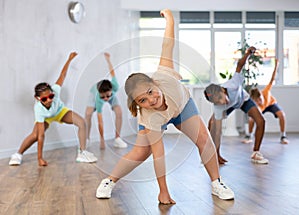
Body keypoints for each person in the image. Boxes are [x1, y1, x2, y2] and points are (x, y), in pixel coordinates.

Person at [96, 9, 234, 204]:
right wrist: (163, 192)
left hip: (182, 106)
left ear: (155, 83)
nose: (151, 100)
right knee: (141, 152)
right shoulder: (149, 115)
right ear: (137, 104)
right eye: (142, 100)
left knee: (204, 138)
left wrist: (169, 18)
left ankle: (217, 183)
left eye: (151, 92)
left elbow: (168, 43)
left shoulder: (165, 74)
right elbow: (159, 155)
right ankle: (109, 181)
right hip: (158, 119)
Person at [9, 52, 97, 166]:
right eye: (44, 99)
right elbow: (41, 136)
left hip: (60, 112)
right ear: (37, 98)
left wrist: (69, 59)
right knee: (35, 135)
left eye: (51, 96)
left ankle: (82, 153)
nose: (49, 100)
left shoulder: (55, 89)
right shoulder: (39, 110)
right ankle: (18, 154)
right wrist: (40, 158)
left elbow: (63, 75)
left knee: (81, 122)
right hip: (46, 118)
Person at [204, 46, 268, 165]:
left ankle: (256, 153)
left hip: (242, 100)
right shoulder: (219, 106)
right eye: (217, 102)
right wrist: (216, 154)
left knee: (261, 121)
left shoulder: (233, 84)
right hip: (230, 106)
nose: (221, 102)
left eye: (220, 98)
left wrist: (248, 53)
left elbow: (239, 65)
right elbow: (217, 132)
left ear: (222, 91)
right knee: (212, 125)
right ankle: (213, 153)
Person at [85, 52, 127, 149]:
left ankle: (117, 139)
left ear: (112, 90)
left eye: (107, 96)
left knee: (119, 112)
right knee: (88, 114)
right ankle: (87, 139)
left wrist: (108, 60)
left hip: (111, 94)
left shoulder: (115, 86)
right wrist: (102, 140)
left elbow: (112, 72)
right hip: (93, 94)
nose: (106, 99)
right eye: (103, 97)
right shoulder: (98, 98)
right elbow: (100, 121)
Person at [243, 59, 288, 144]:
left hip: (271, 104)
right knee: (251, 119)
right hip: (262, 108)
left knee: (281, 115)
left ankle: (283, 136)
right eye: (257, 101)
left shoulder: (266, 91)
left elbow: (272, 79)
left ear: (261, 95)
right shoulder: (257, 104)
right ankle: (249, 136)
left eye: (260, 99)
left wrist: (276, 66)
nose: (259, 101)